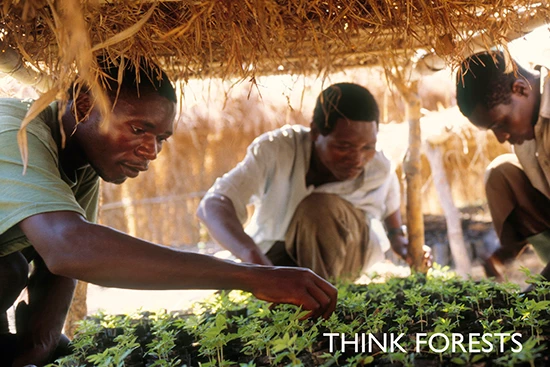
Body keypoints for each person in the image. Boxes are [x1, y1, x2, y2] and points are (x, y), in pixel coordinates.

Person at [0, 57, 337, 367]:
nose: (151, 151)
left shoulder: (80, 161)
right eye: (138, 129)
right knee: (10, 269)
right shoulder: (14, 132)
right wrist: (250, 276)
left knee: (56, 346)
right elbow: (69, 249)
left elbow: (56, 270)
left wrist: (38, 347)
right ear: (86, 106)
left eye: (161, 138)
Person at [197, 82, 430, 281]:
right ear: (316, 132)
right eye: (343, 147)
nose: (358, 159)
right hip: (277, 258)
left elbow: (391, 215)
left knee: (318, 208)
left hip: (348, 258)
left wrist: (403, 244)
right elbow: (213, 205)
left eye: (367, 147)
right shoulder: (277, 150)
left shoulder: (379, 166)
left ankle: (317, 307)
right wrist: (254, 259)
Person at [456, 50, 550, 282]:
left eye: (500, 124)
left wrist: (538, 292)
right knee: (502, 174)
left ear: (520, 89)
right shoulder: (529, 125)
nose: (501, 137)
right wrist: (500, 257)